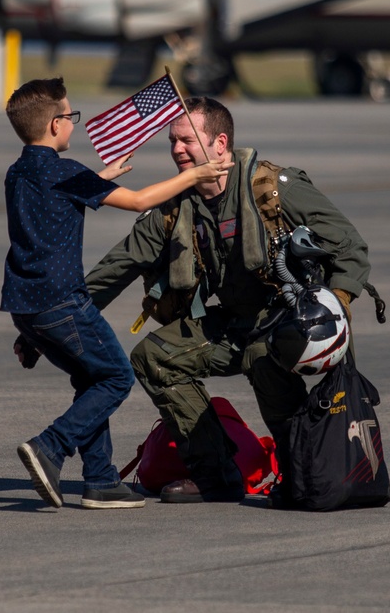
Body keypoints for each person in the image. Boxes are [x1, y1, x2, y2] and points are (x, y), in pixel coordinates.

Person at [84, 97, 371, 505]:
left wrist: (336, 304)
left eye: (186, 140)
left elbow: (349, 245)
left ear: (220, 144)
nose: (176, 150)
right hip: (236, 322)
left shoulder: (271, 188)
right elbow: (119, 264)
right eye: (172, 142)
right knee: (153, 356)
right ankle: (215, 475)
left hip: (293, 321)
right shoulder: (175, 206)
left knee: (261, 353)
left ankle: (301, 473)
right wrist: (59, 320)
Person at [0, 78, 229, 510]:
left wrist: (99, 179)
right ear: (54, 125)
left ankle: (101, 480)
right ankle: (51, 446)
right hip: (62, 301)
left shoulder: (19, 173)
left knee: (91, 378)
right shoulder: (65, 173)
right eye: (70, 117)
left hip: (25, 306)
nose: (73, 124)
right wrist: (195, 174)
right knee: (116, 377)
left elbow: (56, 199)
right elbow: (142, 201)